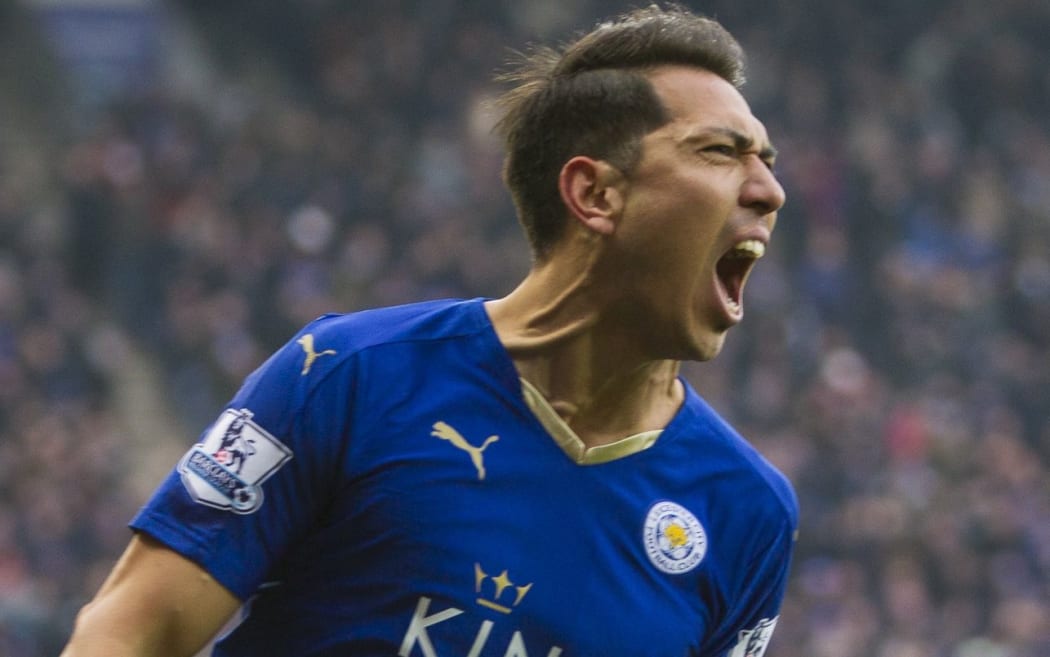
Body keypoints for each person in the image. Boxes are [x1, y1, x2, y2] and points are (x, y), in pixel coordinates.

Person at [61, 5, 795, 656]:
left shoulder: (747, 511)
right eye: (720, 151)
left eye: (765, 158)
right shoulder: (350, 374)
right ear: (595, 193)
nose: (769, 189)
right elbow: (132, 630)